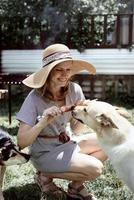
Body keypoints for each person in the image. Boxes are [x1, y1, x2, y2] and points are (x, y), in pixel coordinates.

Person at [16, 43, 107, 200]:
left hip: (66, 145)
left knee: (107, 142)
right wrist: (43, 122)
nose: (65, 75)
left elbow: (77, 130)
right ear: (48, 72)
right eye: (59, 69)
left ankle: (76, 187)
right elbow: (22, 142)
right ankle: (44, 174)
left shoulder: (74, 90)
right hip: (44, 153)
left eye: (68, 69)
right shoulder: (34, 98)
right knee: (96, 168)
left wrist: (83, 113)